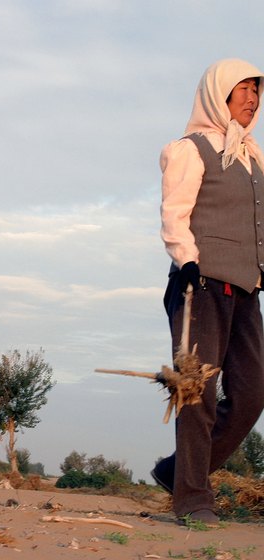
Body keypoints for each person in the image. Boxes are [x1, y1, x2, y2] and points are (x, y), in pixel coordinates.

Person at [153, 58, 264, 525]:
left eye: (257, 93)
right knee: (197, 391)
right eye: (243, 90)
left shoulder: (255, 157)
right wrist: (189, 260)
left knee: (253, 392)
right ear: (218, 94)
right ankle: (193, 498)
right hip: (201, 284)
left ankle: (178, 472)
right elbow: (175, 212)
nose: (253, 99)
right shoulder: (190, 149)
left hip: (246, 289)